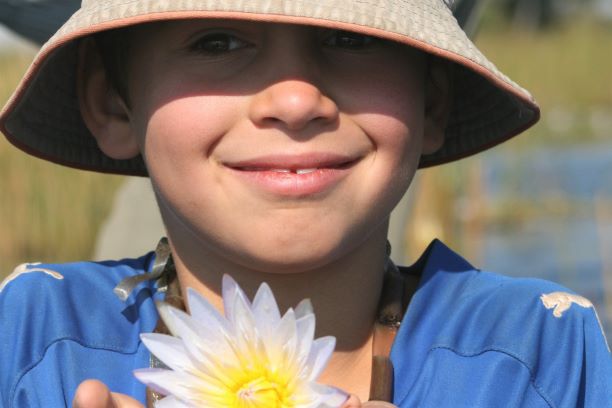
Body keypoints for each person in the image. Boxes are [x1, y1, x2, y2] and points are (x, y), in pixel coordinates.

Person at [0, 1, 610, 407]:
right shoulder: (36, 342)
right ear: (112, 104)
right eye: (216, 41)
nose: (295, 101)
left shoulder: (532, 352)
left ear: (432, 103)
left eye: (349, 36)